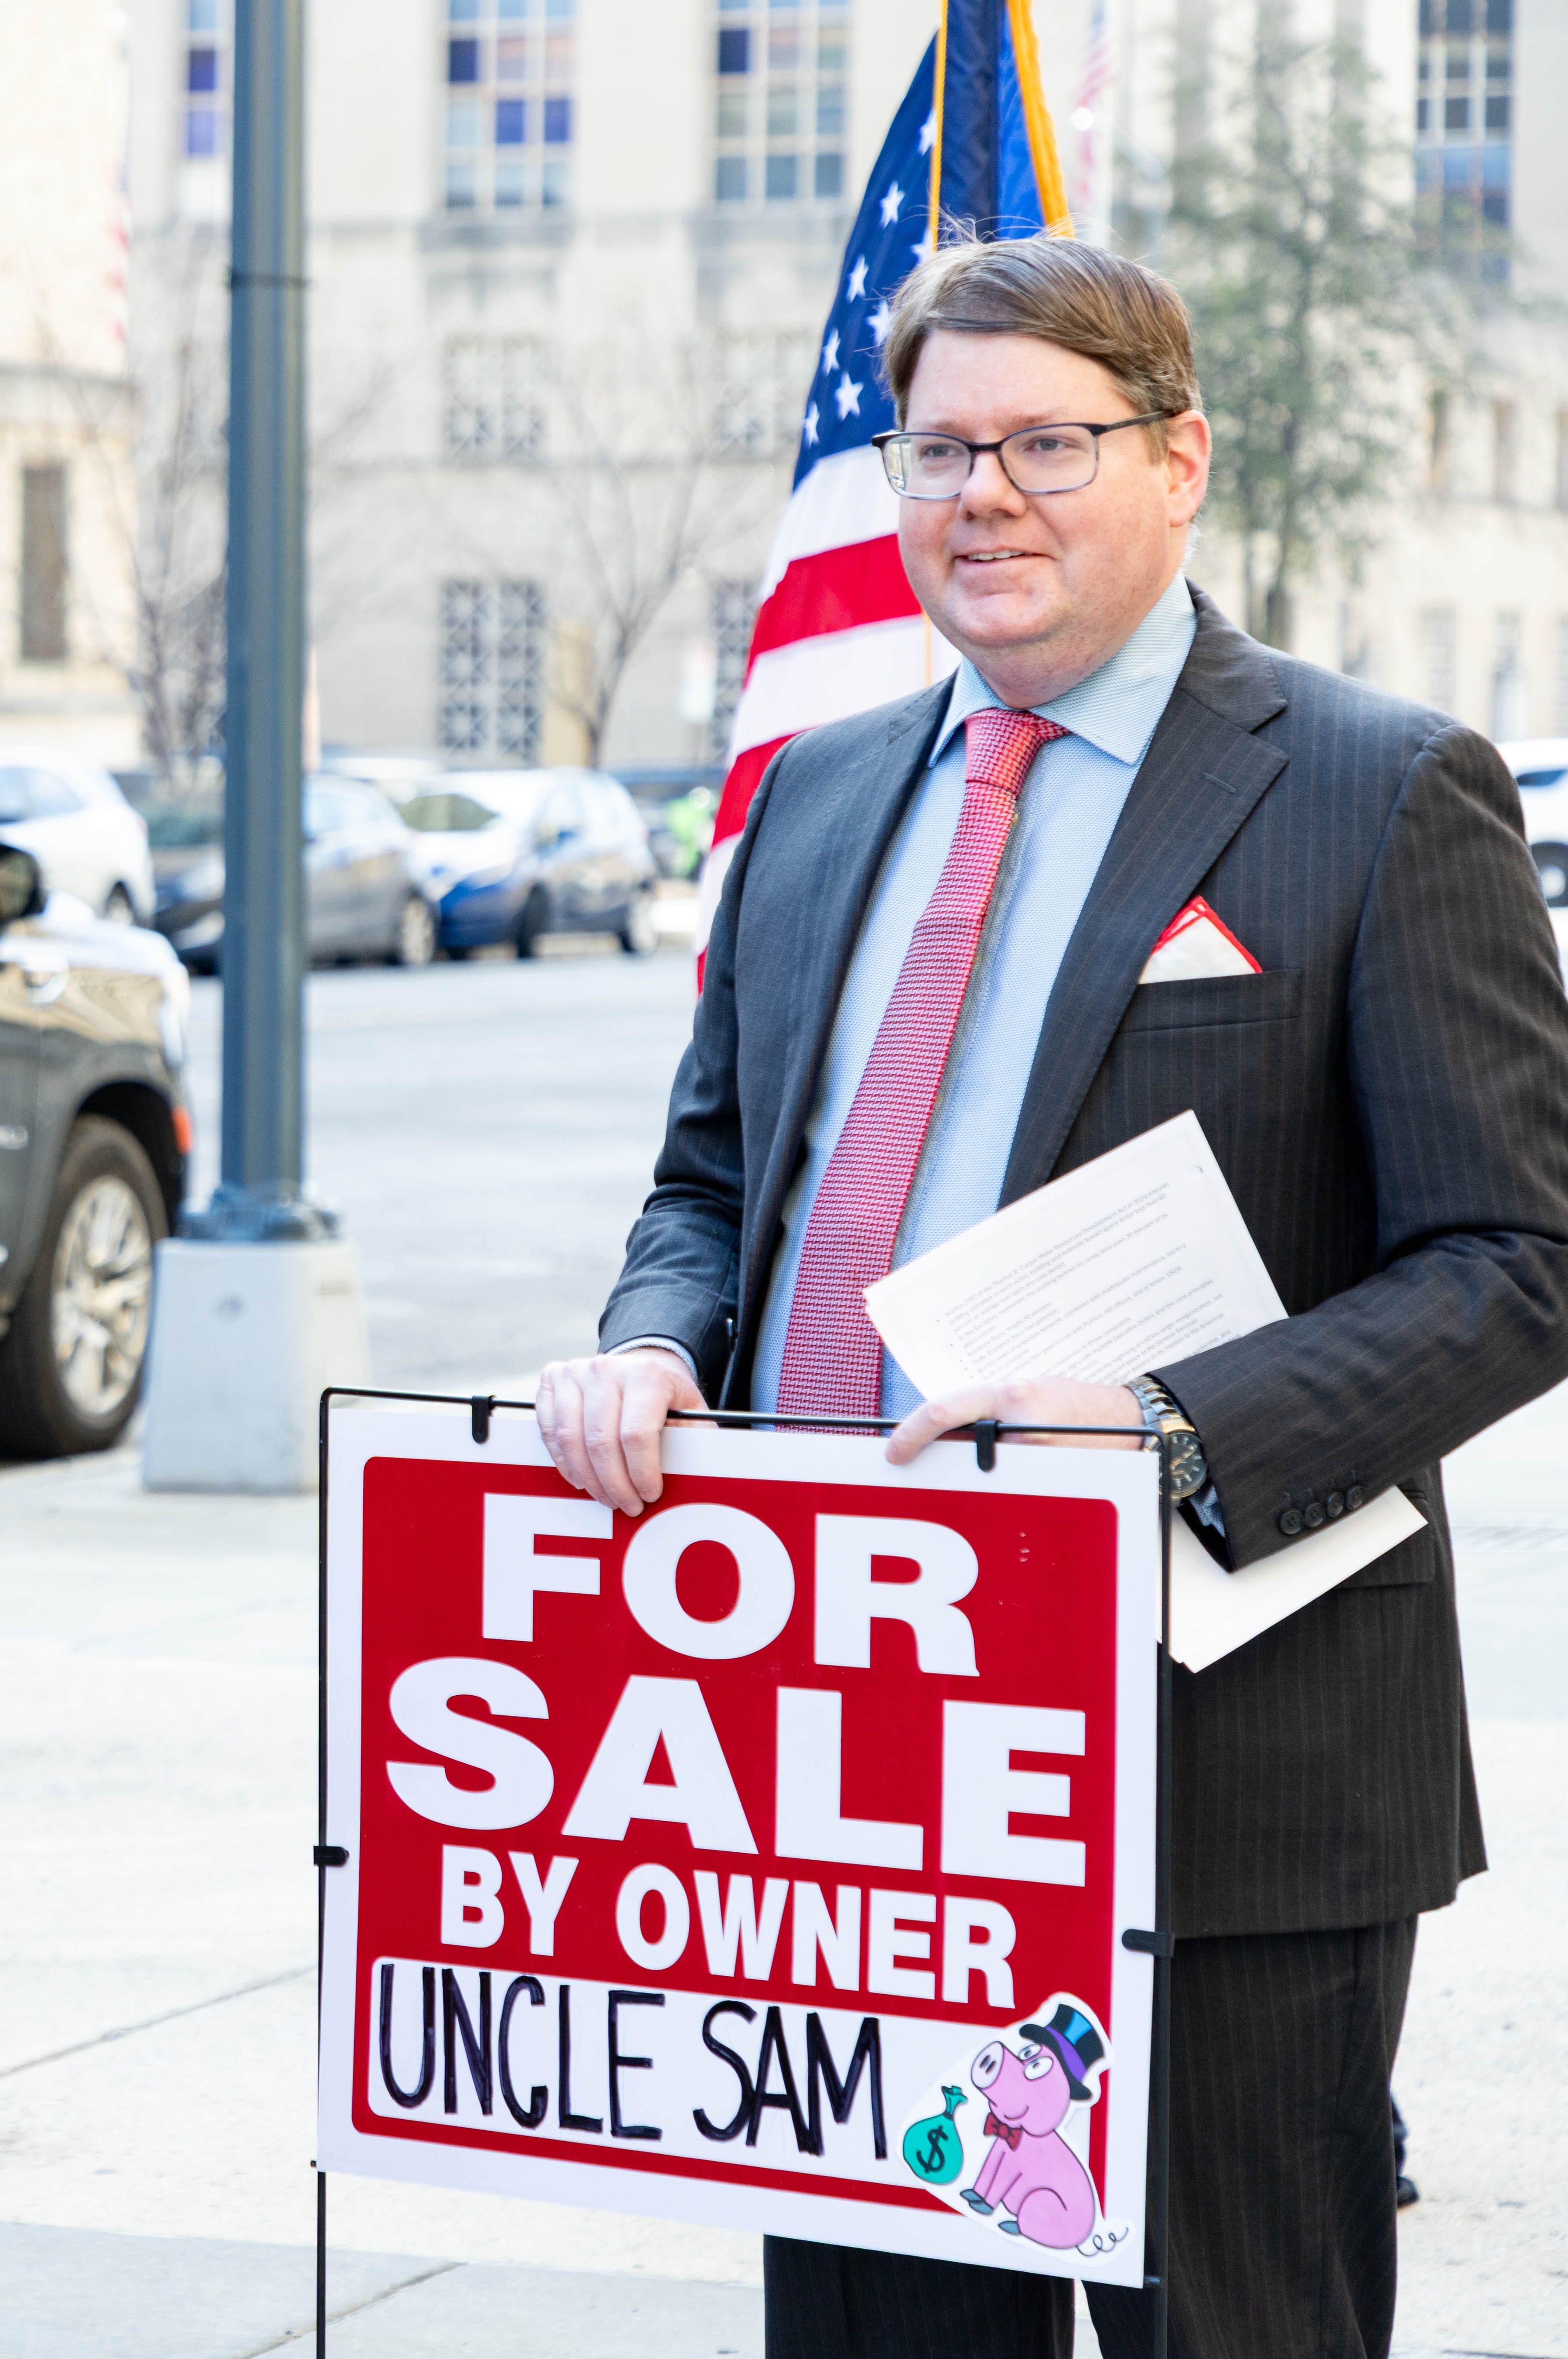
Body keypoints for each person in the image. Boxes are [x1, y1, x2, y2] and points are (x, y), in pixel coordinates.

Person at [535, 235, 1568, 2357]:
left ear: (1176, 460)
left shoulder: (1374, 789)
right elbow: (714, 1178)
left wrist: (1174, 1422)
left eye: (1044, 443)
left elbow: (1516, 1262)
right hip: (841, 1752)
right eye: (934, 447)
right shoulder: (814, 794)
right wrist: (653, 1329)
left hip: (1222, 1744)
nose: (977, 493)